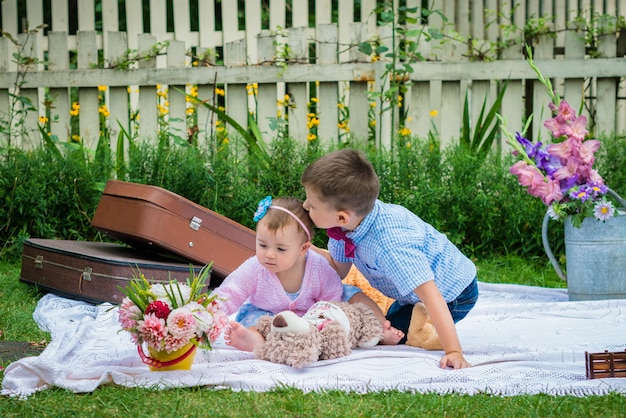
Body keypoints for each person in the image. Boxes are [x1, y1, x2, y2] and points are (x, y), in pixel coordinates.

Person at [301, 149, 479, 369]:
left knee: (388, 334)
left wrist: (453, 351)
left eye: (311, 204)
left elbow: (432, 295)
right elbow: (338, 269)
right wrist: (305, 249)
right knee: (384, 324)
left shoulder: (390, 247)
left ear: (341, 216)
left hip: (454, 293)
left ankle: (432, 335)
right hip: (411, 295)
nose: (304, 206)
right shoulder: (345, 227)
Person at [213, 195, 402, 352]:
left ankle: (379, 327)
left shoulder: (317, 267)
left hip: (312, 316)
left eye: (280, 248)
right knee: (256, 323)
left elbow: (332, 298)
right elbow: (231, 292)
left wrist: (326, 318)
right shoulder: (255, 268)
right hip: (269, 316)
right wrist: (208, 313)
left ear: (303, 249)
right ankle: (255, 341)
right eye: (262, 245)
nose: (269, 254)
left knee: (350, 292)